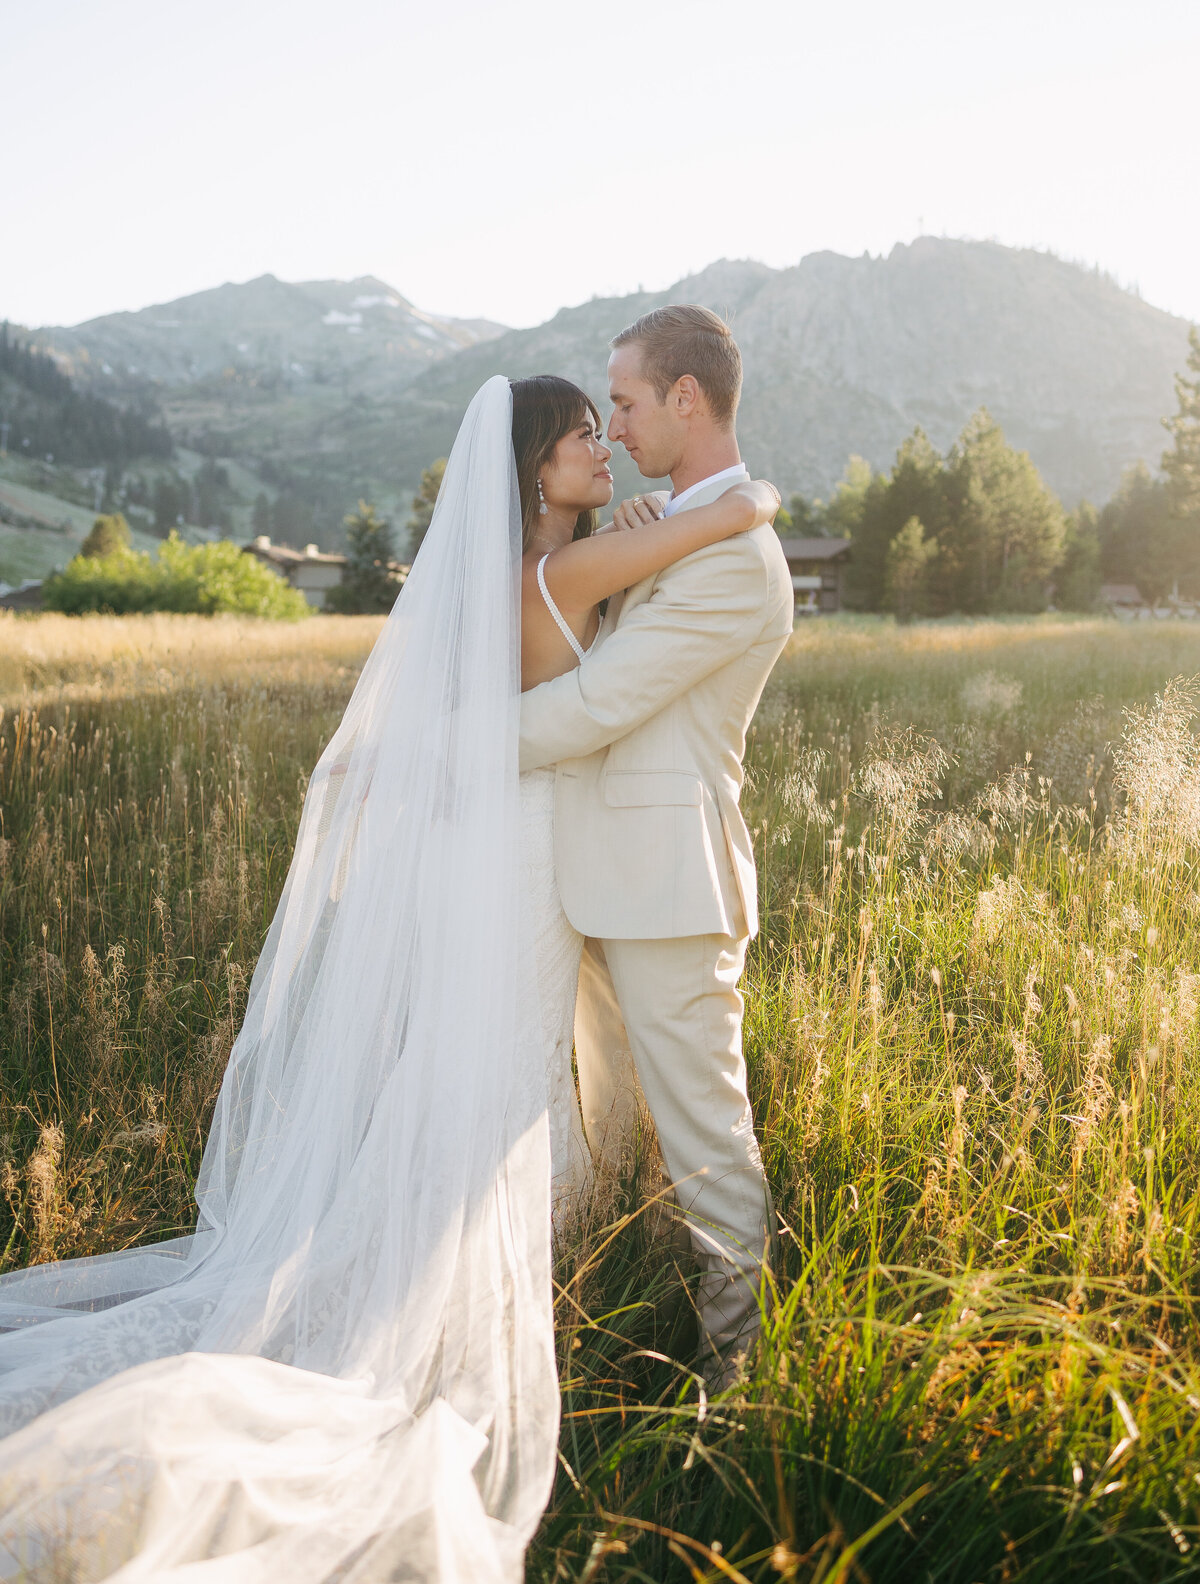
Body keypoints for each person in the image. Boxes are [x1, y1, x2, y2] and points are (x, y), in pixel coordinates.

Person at [0, 367, 779, 1583]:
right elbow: (724, 523)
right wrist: (741, 502)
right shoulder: (559, 572)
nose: (605, 448)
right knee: (499, 1064)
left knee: (486, 1060)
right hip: (527, 849)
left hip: (515, 845)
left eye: (607, 426)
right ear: (533, 465)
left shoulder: (526, 573)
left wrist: (635, 530)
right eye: (585, 436)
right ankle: (451, 1287)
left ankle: (487, 1243)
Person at [518, 305, 795, 1384]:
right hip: (598, 876)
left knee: (707, 1140)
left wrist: (443, 747)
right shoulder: (680, 527)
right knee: (609, 1127)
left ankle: (740, 1379)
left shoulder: (735, 557)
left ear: (688, 398)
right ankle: (618, 1312)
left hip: (670, 887)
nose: (617, 425)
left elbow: (599, 708)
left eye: (627, 402)